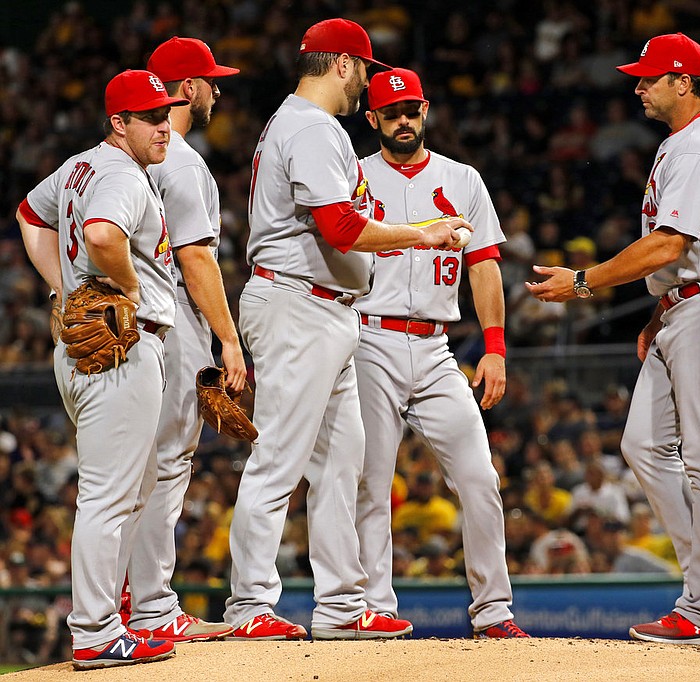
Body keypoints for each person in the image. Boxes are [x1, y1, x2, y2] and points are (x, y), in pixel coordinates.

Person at [223, 19, 470, 641]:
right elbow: (339, 227)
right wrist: (424, 232)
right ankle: (249, 605)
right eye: (364, 67)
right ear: (342, 65)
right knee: (279, 457)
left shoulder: (309, 126)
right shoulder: (309, 127)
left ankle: (340, 604)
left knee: (343, 463)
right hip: (296, 304)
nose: (369, 78)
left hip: (326, 308)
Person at [526, 33, 700, 646]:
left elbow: (668, 245)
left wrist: (583, 282)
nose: (638, 86)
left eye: (649, 78)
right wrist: (661, 307)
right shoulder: (684, 143)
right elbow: (675, 256)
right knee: (643, 447)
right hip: (690, 302)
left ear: (683, 81)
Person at [16, 69, 189, 668]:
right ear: (119, 124)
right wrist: (133, 288)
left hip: (90, 346)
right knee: (110, 496)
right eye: (151, 118)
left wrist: (61, 290)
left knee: (128, 492)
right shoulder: (118, 173)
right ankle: (93, 630)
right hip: (119, 347)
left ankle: (106, 621)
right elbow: (101, 234)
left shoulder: (79, 165)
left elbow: (29, 215)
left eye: (166, 114)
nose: (164, 126)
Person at [354, 67, 529, 639]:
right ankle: (374, 605)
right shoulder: (352, 177)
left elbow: (484, 267)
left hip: (435, 346)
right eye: (391, 112)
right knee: (371, 480)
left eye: (411, 110)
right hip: (369, 337)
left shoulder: (463, 178)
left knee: (480, 477)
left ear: (424, 111)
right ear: (372, 117)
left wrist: (495, 347)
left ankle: (494, 611)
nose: (403, 120)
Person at [119, 37, 247, 643]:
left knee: (141, 464)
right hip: (172, 324)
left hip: (134, 321)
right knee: (167, 463)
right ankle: (149, 604)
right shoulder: (182, 161)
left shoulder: (126, 157)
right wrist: (229, 339)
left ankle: (128, 599)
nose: (217, 91)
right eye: (211, 81)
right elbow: (195, 258)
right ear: (187, 88)